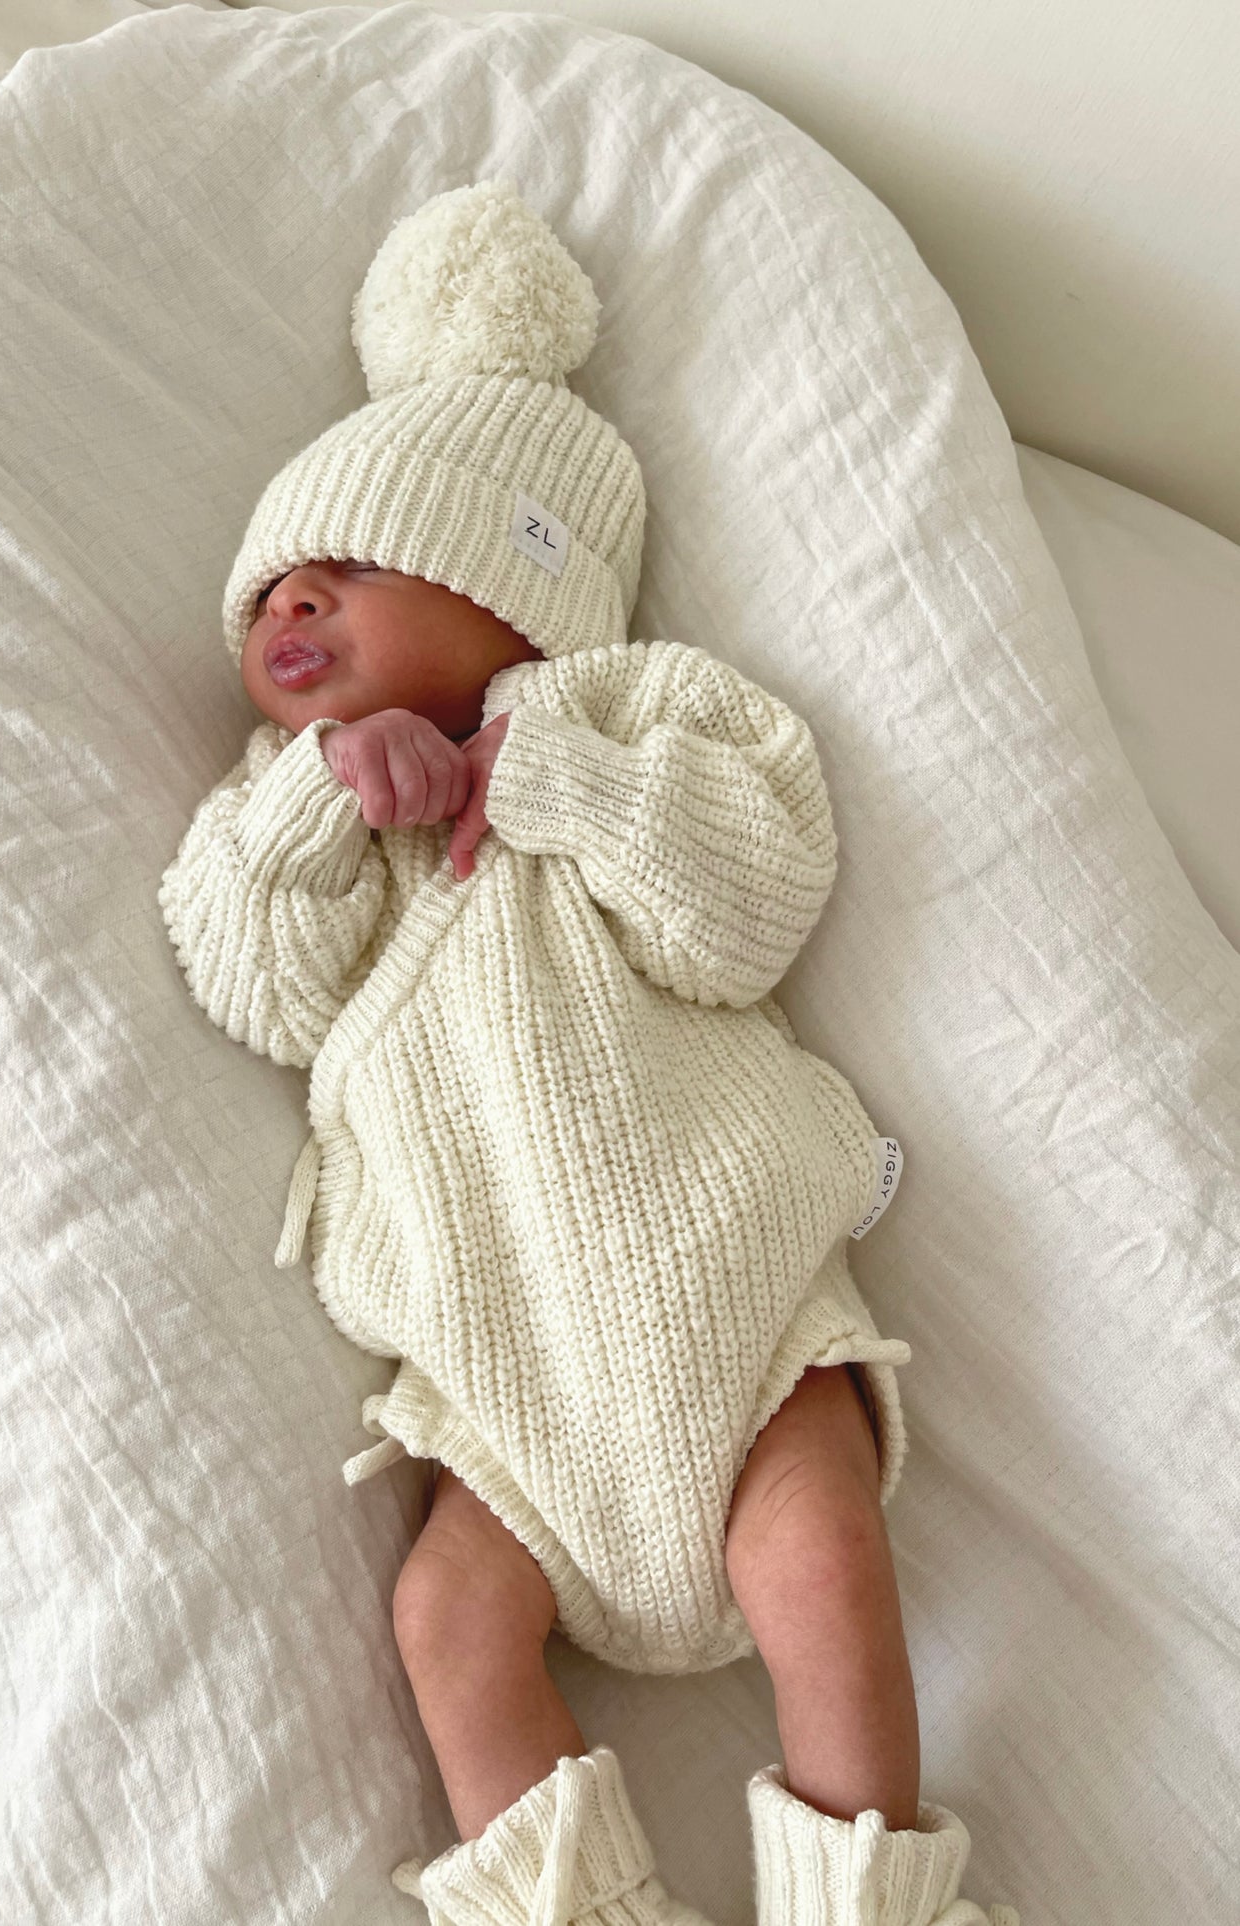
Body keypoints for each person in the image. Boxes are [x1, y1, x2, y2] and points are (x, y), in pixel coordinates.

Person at [158, 178, 1019, 1926]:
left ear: (511, 585)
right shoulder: (286, 816)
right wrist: (326, 801)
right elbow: (251, 983)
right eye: (273, 594)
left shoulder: (633, 713)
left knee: (822, 1563)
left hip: (725, 1312)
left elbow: (749, 902)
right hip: (505, 1387)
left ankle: (869, 1904)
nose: (293, 602)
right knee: (443, 1622)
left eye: (353, 567)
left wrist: (555, 774)